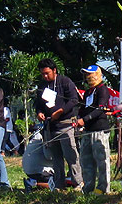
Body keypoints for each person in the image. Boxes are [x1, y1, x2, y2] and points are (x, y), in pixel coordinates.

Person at [34, 58, 83, 190]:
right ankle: (59, 185)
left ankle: (78, 183)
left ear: (54, 70)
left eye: (47, 73)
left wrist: (61, 111)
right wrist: (39, 112)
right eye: (42, 74)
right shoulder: (42, 86)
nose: (45, 76)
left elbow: (74, 100)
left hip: (66, 124)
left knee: (71, 156)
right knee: (56, 158)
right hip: (50, 126)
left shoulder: (65, 81)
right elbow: (38, 104)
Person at [76, 64, 111, 194]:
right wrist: (79, 118)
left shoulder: (103, 89)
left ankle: (103, 188)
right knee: (86, 161)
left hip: (99, 130)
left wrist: (84, 119)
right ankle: (88, 187)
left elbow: (100, 108)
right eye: (86, 74)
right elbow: (83, 108)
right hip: (87, 131)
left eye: (90, 74)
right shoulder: (88, 92)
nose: (88, 77)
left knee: (102, 161)